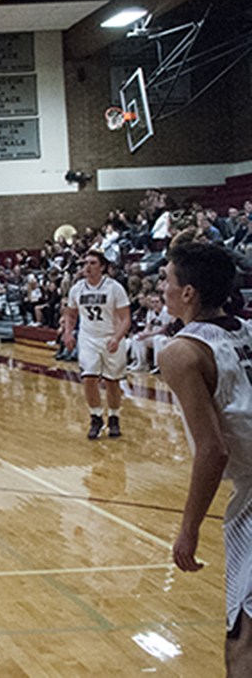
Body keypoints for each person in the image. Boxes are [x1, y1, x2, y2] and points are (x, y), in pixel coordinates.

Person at [158, 237, 252, 675]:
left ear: (188, 293)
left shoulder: (181, 352)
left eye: (167, 279)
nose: (163, 288)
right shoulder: (247, 329)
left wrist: (189, 528)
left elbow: (213, 451)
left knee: (244, 633)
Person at [59, 250, 131, 440]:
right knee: (89, 377)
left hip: (111, 337)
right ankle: (96, 416)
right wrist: (67, 333)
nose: (87, 267)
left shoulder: (115, 288)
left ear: (102, 267)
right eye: (85, 263)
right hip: (88, 338)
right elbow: (70, 314)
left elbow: (125, 318)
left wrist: (117, 337)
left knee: (112, 381)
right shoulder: (77, 289)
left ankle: (114, 418)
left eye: (92, 263)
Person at [128, 291, 172, 374]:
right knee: (137, 338)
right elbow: (148, 327)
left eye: (157, 302)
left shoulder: (166, 311)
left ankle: (158, 365)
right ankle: (141, 363)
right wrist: (143, 334)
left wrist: (147, 334)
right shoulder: (150, 311)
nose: (154, 304)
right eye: (152, 302)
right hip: (154, 334)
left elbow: (163, 329)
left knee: (157, 339)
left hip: (166, 336)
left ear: (162, 303)